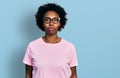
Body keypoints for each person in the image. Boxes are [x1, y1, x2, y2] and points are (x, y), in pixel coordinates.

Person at [23, 3, 78, 78]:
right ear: (42, 23)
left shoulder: (69, 47)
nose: (51, 23)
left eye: (55, 20)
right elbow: (28, 75)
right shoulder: (32, 46)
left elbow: (73, 75)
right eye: (47, 20)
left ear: (59, 23)